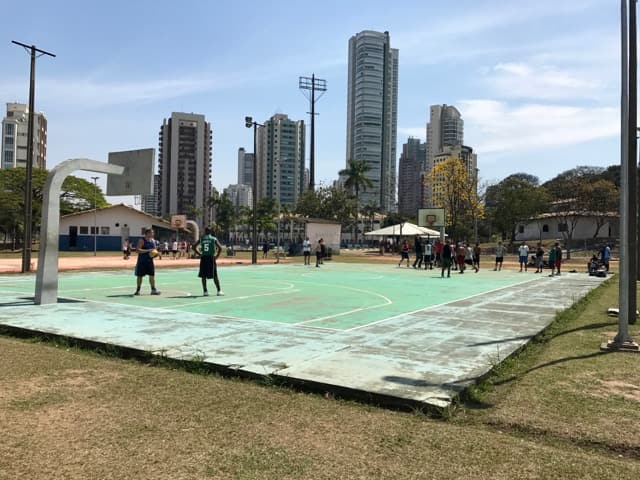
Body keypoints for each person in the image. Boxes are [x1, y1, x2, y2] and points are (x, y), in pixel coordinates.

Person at [193, 227, 223, 296]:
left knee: (203, 275)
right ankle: (219, 291)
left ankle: (205, 291)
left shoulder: (201, 239)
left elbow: (193, 247)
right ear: (210, 232)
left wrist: (199, 254)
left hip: (203, 258)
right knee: (215, 274)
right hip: (211, 258)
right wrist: (217, 256)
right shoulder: (213, 239)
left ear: (205, 232)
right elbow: (220, 248)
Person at [134, 229, 160, 296]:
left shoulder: (153, 241)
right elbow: (137, 250)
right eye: (152, 232)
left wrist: (156, 254)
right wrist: (148, 250)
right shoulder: (142, 240)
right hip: (142, 261)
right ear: (147, 233)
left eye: (153, 232)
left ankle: (153, 290)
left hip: (149, 261)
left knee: (152, 275)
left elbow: (154, 250)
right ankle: (138, 290)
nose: (153, 234)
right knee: (140, 276)